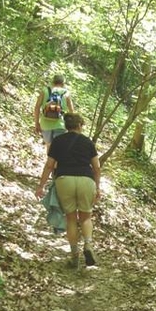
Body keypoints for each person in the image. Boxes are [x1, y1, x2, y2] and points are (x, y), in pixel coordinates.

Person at [35, 113, 101, 268]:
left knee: (71, 218)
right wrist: (97, 187)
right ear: (79, 126)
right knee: (85, 217)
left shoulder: (57, 141)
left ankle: (74, 255)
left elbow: (50, 165)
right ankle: (88, 245)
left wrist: (41, 186)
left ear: (66, 126)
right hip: (86, 180)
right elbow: (97, 168)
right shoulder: (87, 142)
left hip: (64, 180)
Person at [33, 74, 75, 152]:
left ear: (53, 82)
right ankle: (56, 164)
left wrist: (36, 123)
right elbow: (72, 111)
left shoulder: (45, 90)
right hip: (61, 125)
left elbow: (37, 107)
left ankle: (49, 163)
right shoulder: (66, 93)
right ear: (63, 83)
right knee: (58, 149)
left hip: (45, 124)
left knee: (49, 146)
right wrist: (71, 127)